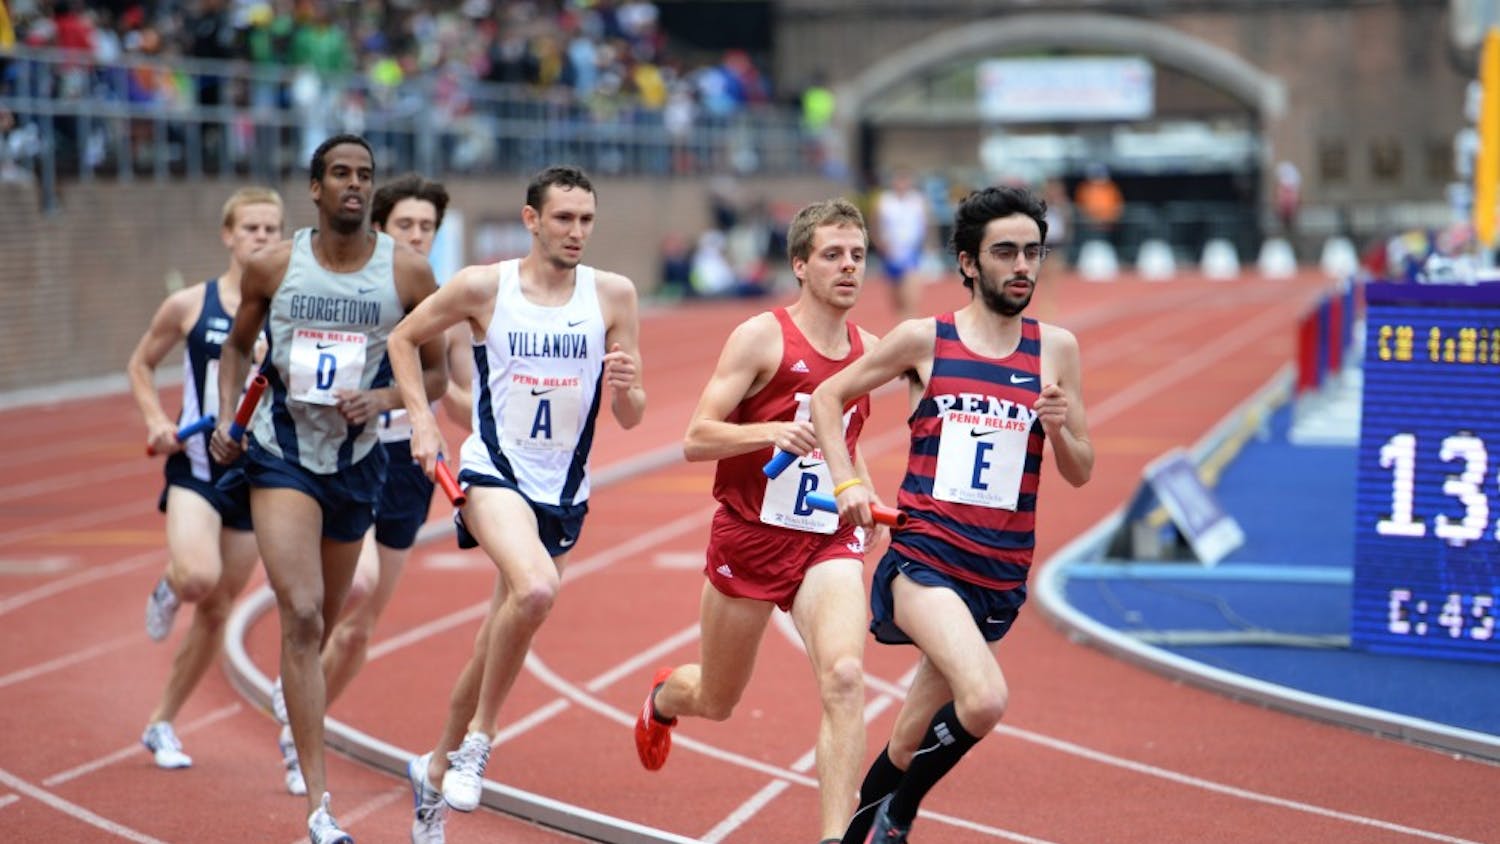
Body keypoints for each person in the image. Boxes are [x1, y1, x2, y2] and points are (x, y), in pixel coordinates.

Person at [808, 185, 1094, 843]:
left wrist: (1062, 428)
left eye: (1033, 252)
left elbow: (1081, 469)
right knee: (985, 699)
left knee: (910, 741)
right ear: (968, 262)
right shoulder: (922, 340)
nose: (1022, 265)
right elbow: (827, 397)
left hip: (999, 574)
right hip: (926, 560)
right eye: (1005, 252)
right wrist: (847, 480)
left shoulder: (1057, 350)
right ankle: (898, 824)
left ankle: (858, 835)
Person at [384, 164, 646, 842]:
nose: (577, 231)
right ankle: (478, 742)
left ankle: (434, 767)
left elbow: (633, 417)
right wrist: (420, 420)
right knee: (534, 591)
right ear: (532, 220)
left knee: (495, 633)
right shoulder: (483, 286)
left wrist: (625, 385)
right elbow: (404, 339)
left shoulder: (613, 295)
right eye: (564, 218)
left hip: (562, 489)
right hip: (494, 470)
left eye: (586, 219)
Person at [209, 134, 447, 844]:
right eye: (340, 174)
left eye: (364, 175)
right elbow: (231, 347)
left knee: (333, 616)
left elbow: (432, 374)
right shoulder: (274, 266)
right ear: (314, 189)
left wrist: (382, 401)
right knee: (304, 614)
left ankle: (298, 705)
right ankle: (319, 804)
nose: (354, 185)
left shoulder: (407, 274)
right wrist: (228, 416)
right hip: (282, 456)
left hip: (359, 462)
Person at [632, 198, 883, 844]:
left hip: (827, 540)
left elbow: (847, 439)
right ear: (800, 265)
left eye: (857, 255)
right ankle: (663, 699)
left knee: (847, 677)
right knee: (716, 699)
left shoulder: (870, 351)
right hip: (750, 537)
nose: (847, 267)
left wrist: (865, 493)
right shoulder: (761, 337)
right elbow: (695, 437)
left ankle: (835, 838)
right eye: (832, 255)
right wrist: (773, 431)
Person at [268, 172, 476, 797]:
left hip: (407, 468)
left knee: (363, 624)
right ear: (382, 229)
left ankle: (301, 723)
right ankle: (300, 676)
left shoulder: (443, 306)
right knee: (350, 587)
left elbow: (459, 397)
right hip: (343, 460)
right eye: (407, 225)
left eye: (428, 228)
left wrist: (503, 404)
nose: (419, 236)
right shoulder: (359, 295)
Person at [129, 187, 284, 769]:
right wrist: (156, 418)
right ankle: (170, 586)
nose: (262, 239)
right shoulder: (192, 305)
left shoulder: (288, 309)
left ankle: (162, 721)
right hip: (196, 465)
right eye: (251, 229)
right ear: (228, 235)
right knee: (198, 576)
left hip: (252, 476)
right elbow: (141, 362)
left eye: (272, 230)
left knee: (219, 610)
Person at [874, 168, 930, 322]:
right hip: (890, 253)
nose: (901, 184)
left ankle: (910, 327)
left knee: (910, 298)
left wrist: (927, 245)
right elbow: (874, 224)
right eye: (898, 180)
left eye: (904, 180)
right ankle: (901, 324)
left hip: (911, 251)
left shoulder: (918, 200)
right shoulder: (884, 201)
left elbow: (926, 224)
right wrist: (879, 244)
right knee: (895, 300)